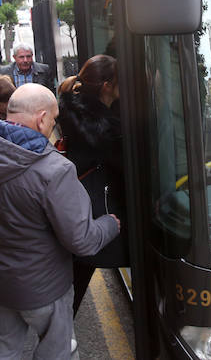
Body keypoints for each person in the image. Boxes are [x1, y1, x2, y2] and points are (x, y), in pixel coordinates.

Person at [0, 83, 120, 359]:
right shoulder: (55, 170)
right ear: (41, 119)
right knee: (56, 351)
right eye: (53, 120)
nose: (53, 127)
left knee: (1, 351)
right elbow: (83, 240)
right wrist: (111, 223)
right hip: (43, 288)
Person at [57, 55, 128, 314]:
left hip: (83, 198)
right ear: (107, 85)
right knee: (80, 269)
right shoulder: (103, 129)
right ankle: (59, 339)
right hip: (94, 202)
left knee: (77, 271)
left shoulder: (76, 109)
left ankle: (61, 329)